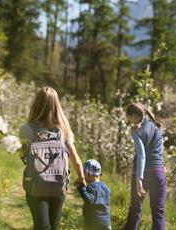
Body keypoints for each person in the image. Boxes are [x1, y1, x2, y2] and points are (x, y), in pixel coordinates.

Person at [19, 86, 86, 230]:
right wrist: (81, 177)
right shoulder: (63, 128)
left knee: (41, 226)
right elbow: (75, 156)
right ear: (56, 104)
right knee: (54, 226)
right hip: (59, 184)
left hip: (35, 185)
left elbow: (23, 156)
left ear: (36, 103)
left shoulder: (26, 129)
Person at [124, 102, 167, 230]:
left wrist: (139, 180)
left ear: (134, 116)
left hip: (143, 173)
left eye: (128, 116)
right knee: (158, 212)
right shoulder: (157, 127)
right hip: (159, 172)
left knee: (135, 209)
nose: (128, 120)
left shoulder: (137, 131)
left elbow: (142, 156)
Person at [76, 159, 111, 230]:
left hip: (93, 222)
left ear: (89, 174)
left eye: (84, 173)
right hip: (106, 222)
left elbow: (89, 200)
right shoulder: (106, 187)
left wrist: (80, 187)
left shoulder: (92, 187)